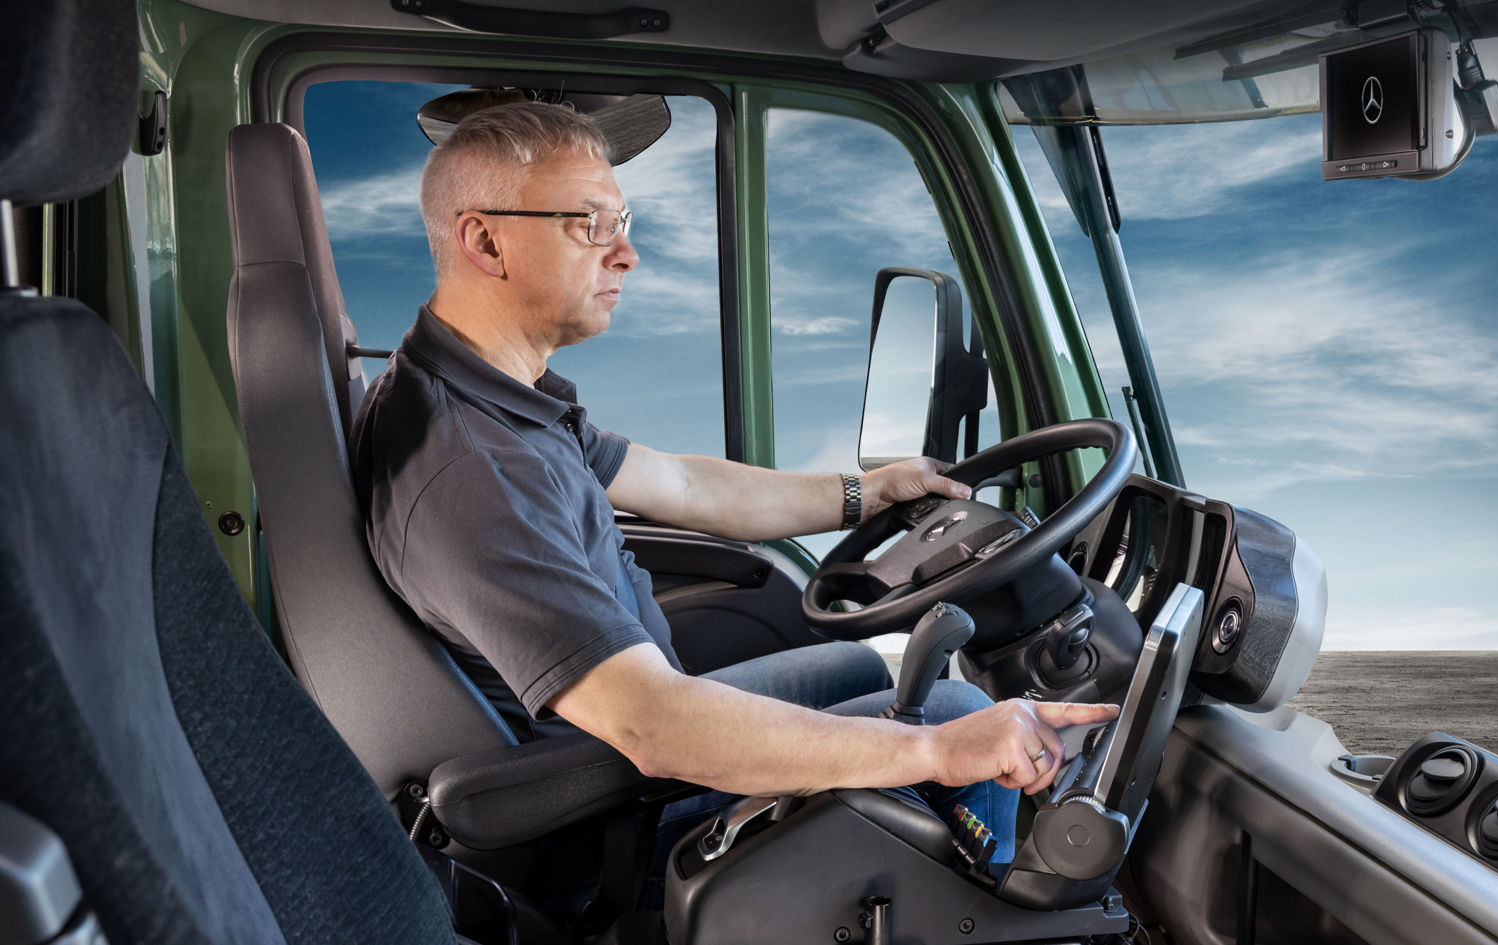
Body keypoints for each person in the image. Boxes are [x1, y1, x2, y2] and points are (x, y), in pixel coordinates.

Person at [350, 101, 1117, 871]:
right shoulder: (474, 472)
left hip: (620, 744)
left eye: (624, 221)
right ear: (485, 239)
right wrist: (937, 749)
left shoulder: (494, 394)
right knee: (952, 710)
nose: (627, 255)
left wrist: (870, 492)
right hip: (603, 821)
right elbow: (655, 726)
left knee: (854, 668)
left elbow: (685, 484)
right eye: (591, 225)